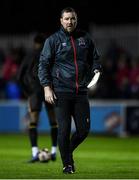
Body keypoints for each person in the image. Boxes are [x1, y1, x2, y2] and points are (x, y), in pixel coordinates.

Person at [38, 7, 101, 173]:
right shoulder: (52, 40)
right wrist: (46, 88)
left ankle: (66, 152)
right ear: (61, 21)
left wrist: (96, 71)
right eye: (66, 19)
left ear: (76, 20)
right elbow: (43, 65)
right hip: (61, 91)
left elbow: (95, 59)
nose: (70, 21)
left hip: (81, 92)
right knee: (64, 130)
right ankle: (67, 164)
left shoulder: (85, 38)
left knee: (83, 131)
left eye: (72, 18)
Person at [17, 33, 58, 163]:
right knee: (54, 121)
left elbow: (19, 77)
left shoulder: (29, 56)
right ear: (44, 43)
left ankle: (35, 153)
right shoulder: (49, 55)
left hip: (34, 92)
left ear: (34, 43)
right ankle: (53, 152)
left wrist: (27, 93)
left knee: (33, 121)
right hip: (49, 90)